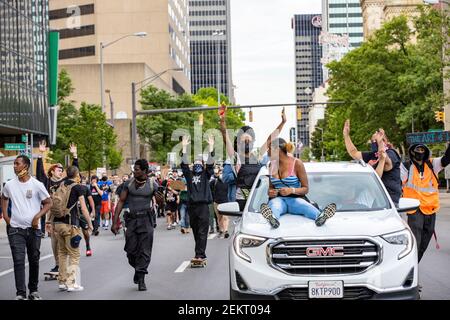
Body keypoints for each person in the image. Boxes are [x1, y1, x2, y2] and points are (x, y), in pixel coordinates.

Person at [1, 155, 52, 300]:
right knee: (18, 260)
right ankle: (20, 293)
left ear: (26, 166)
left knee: (34, 259)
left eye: (17, 164)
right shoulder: (10, 185)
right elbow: (4, 198)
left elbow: (48, 203)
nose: (14, 166)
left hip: (34, 230)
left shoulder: (36, 185)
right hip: (15, 229)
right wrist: (6, 216)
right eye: (14, 164)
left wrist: (37, 217)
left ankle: (33, 290)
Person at [259, 138, 337, 228]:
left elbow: (305, 189)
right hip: (278, 199)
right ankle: (272, 219)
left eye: (269, 149)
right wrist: (270, 192)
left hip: (294, 199)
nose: (267, 152)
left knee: (304, 206)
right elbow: (271, 187)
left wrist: (291, 190)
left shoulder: (297, 163)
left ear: (277, 150)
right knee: (275, 206)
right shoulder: (271, 165)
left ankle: (321, 217)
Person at [220, 107, 287, 210]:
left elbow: (270, 139)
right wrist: (222, 120)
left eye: (249, 140)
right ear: (238, 143)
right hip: (242, 203)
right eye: (244, 140)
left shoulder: (257, 156)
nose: (247, 142)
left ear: (253, 142)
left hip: (259, 200)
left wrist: (283, 122)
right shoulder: (236, 158)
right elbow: (225, 136)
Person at [111, 159, 159, 291]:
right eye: (134, 169)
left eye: (137, 169)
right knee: (130, 251)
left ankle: (141, 278)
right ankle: (138, 269)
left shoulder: (152, 184)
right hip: (131, 220)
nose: (134, 171)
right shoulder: (128, 184)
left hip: (146, 220)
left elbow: (161, 201)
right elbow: (121, 202)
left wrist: (161, 197)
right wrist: (115, 222)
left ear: (144, 170)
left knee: (145, 251)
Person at [401, 143, 450, 263]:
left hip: (430, 210)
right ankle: (410, 269)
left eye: (422, 149)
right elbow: (394, 181)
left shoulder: (432, 164)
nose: (420, 151)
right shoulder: (405, 167)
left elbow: (447, 158)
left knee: (424, 243)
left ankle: (413, 265)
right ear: (412, 152)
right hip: (414, 210)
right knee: (415, 244)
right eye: (418, 149)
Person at [36, 141, 78, 273]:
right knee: (54, 241)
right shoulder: (46, 181)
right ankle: (58, 263)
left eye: (62, 170)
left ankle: (65, 264)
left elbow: (74, 174)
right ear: (52, 171)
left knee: (65, 239)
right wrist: (40, 154)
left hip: (63, 213)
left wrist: (75, 156)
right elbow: (39, 173)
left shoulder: (64, 182)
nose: (61, 172)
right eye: (59, 170)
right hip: (51, 214)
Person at [50, 166, 93, 292]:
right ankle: (71, 283)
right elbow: (84, 209)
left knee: (62, 253)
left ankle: (62, 282)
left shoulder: (60, 185)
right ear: (77, 174)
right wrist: (90, 224)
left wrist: (50, 223)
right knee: (74, 254)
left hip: (58, 223)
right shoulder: (78, 187)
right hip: (70, 225)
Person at [343, 120, 402, 205]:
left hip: (390, 200)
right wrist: (346, 135)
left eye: (379, 140)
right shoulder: (372, 155)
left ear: (385, 141)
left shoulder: (391, 153)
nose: (376, 142)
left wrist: (380, 143)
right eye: (373, 141)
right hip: (375, 200)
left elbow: (386, 162)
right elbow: (354, 152)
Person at [180, 135, 215, 265]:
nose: (197, 163)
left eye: (200, 162)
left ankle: (199, 255)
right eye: (195, 162)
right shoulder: (189, 176)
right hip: (192, 207)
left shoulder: (206, 175)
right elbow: (183, 165)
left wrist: (211, 146)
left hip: (203, 207)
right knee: (195, 230)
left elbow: (211, 164)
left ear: (203, 164)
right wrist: (184, 147)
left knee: (202, 231)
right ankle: (200, 253)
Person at [211, 167, 230, 238]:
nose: (221, 174)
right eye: (220, 173)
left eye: (223, 173)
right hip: (217, 202)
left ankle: (226, 231)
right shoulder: (214, 182)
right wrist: (213, 199)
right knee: (219, 217)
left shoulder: (227, 182)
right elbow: (210, 190)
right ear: (218, 174)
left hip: (225, 202)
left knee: (225, 217)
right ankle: (221, 230)